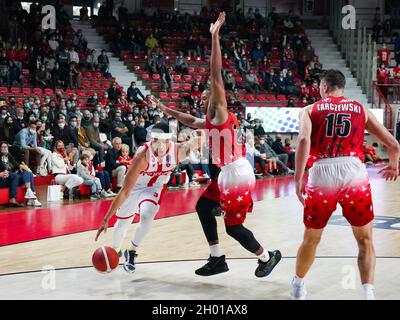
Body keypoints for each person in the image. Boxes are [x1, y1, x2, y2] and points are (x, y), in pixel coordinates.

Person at [152, 12, 281, 278]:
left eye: (204, 96)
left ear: (216, 97)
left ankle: (267, 257)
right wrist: (167, 109)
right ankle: (216, 258)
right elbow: (191, 119)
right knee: (202, 206)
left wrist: (214, 37)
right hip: (228, 173)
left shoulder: (219, 110)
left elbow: (216, 73)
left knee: (233, 228)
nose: (200, 100)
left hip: (235, 174)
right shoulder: (212, 119)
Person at [291, 69, 400, 300]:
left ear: (324, 87)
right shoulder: (361, 110)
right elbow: (393, 143)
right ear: (342, 88)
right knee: (365, 239)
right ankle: (368, 293)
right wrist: (393, 165)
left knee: (311, 237)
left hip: (322, 173)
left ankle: (298, 286)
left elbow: (303, 140)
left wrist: (298, 178)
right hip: (353, 172)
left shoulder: (310, 110)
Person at [95, 123, 198, 273]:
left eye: (165, 141)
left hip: (155, 188)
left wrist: (202, 131)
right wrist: (106, 219)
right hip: (135, 187)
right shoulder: (142, 156)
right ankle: (115, 250)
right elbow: (124, 191)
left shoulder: (179, 151)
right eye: (156, 140)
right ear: (152, 139)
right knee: (123, 222)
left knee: (147, 216)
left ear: (170, 140)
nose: (160, 145)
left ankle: (131, 252)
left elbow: (200, 136)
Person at [0, 142, 41, 207]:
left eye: (6, 147)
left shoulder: (8, 156)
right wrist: (0, 174)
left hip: (12, 178)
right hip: (3, 180)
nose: (5, 148)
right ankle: (12, 199)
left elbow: (16, 165)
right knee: (14, 175)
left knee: (28, 173)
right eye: (3, 147)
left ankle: (31, 196)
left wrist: (21, 166)